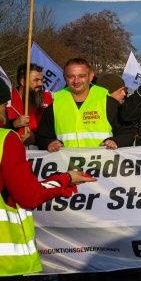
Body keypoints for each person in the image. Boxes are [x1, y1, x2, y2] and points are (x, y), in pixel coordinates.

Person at [0, 80, 97, 277]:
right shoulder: (6, 140)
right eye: (4, 104)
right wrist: (65, 179)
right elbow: (29, 195)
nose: (5, 109)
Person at [36, 58, 135, 151]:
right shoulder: (55, 105)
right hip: (67, 166)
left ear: (91, 77)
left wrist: (116, 141)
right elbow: (42, 137)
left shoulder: (108, 103)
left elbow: (127, 133)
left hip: (102, 165)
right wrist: (49, 143)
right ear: (65, 78)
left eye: (81, 76)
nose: (76, 81)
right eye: (71, 76)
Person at [5, 63, 53, 149]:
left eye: (42, 80)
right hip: (12, 150)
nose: (41, 84)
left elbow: (54, 128)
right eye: (36, 80)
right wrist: (14, 124)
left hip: (42, 153)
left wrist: (35, 138)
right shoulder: (6, 99)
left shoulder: (48, 98)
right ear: (23, 82)